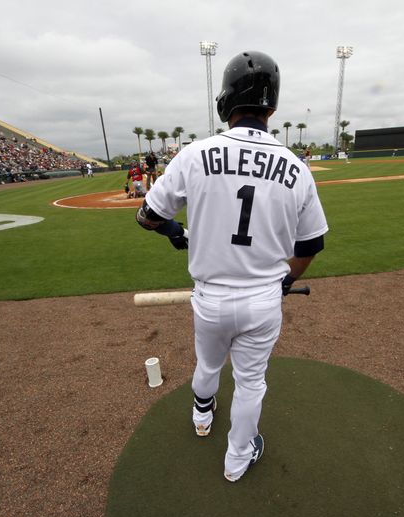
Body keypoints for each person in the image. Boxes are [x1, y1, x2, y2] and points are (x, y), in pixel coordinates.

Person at [135, 50, 328, 482]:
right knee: (251, 383)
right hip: (262, 301)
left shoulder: (193, 155)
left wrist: (174, 232)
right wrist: (284, 281)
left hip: (210, 299)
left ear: (227, 100)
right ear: (272, 107)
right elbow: (312, 243)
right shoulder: (297, 168)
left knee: (207, 366)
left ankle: (202, 416)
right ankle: (237, 458)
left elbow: (146, 215)